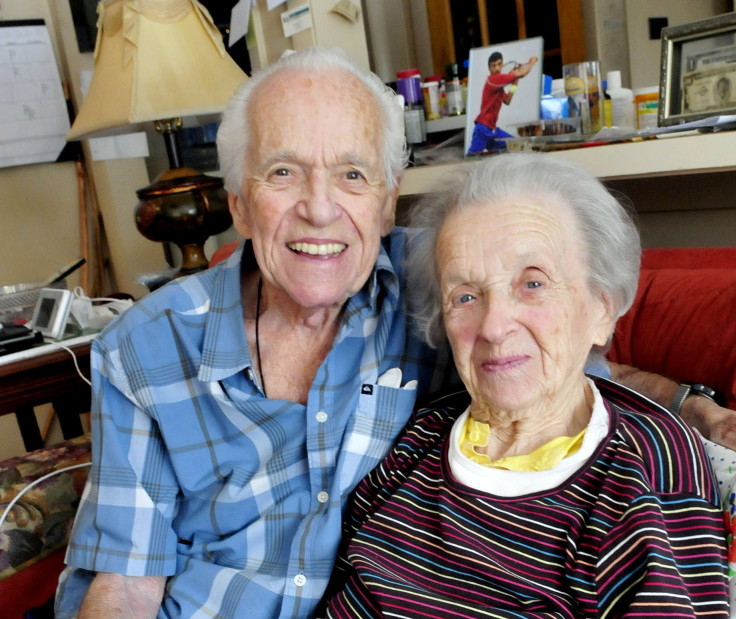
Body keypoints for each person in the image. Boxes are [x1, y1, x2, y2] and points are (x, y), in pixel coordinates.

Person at [55, 47, 733, 619]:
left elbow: (552, 368)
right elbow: (124, 582)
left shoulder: (441, 279)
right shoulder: (144, 349)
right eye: (283, 172)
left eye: (351, 174)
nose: (319, 208)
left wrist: (688, 404)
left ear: (385, 201)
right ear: (238, 202)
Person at [324, 154, 730, 618]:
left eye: (532, 284)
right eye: (466, 296)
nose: (494, 326)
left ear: (601, 309)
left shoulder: (647, 462)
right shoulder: (420, 436)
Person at [467, 51, 538, 154]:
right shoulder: (493, 79)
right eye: (493, 65)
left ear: (502, 65)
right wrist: (533, 61)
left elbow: (507, 100)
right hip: (483, 129)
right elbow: (522, 73)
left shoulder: (498, 87)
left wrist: (515, 82)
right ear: (489, 68)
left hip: (493, 130)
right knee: (471, 159)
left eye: (499, 64)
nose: (496, 68)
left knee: (519, 147)